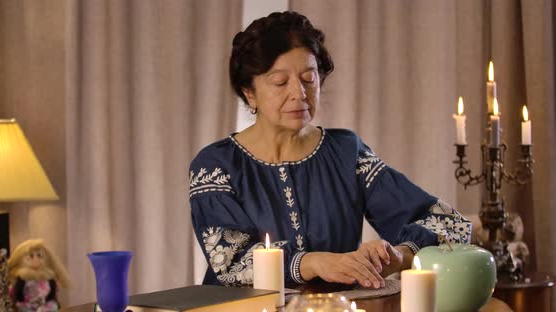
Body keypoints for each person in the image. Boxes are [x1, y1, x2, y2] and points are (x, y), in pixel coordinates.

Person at [189, 11, 471, 288]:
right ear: (249, 92)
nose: (299, 93)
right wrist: (313, 263)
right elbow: (231, 262)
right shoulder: (215, 165)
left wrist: (397, 256)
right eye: (280, 82)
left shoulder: (346, 152)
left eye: (309, 79)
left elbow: (446, 223)